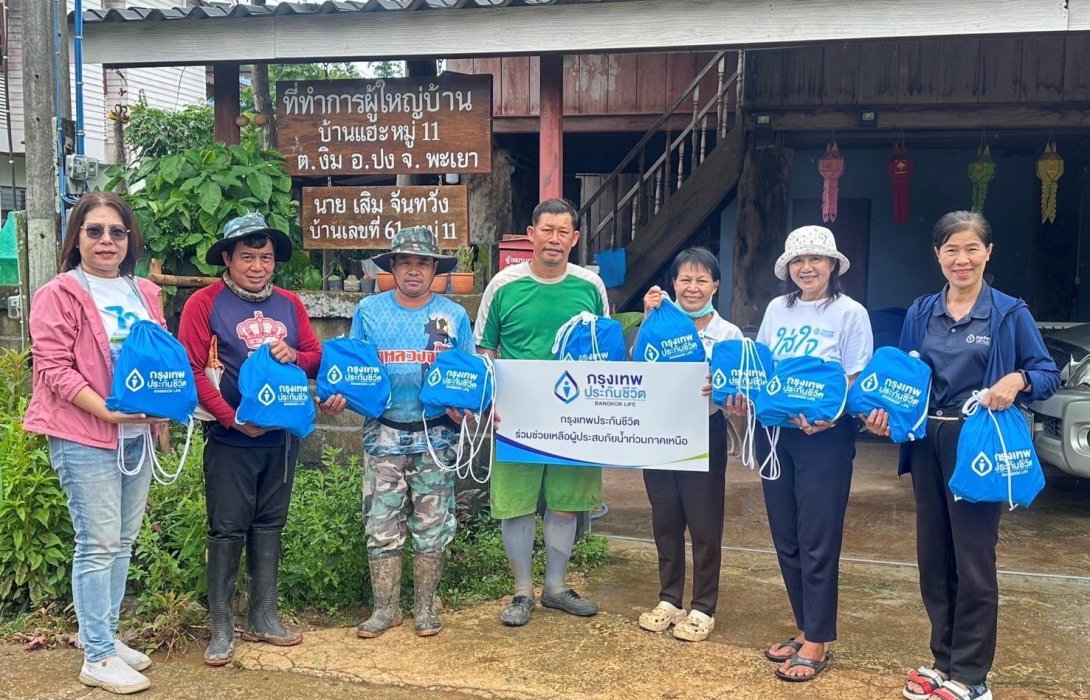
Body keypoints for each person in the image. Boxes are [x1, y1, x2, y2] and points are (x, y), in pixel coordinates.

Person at [863, 211, 1058, 700]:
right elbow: (904, 378)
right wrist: (884, 413)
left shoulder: (1010, 312)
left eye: (971, 248)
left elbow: (1046, 372)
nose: (961, 259)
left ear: (988, 253)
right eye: (951, 249)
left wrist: (1017, 380)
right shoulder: (922, 311)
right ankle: (941, 660)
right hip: (929, 442)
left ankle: (971, 676)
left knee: (972, 560)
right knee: (933, 556)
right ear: (937, 255)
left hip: (978, 445)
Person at [177, 213, 344, 666]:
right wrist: (231, 418)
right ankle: (220, 627)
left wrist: (297, 354)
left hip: (281, 437)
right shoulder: (204, 304)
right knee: (227, 527)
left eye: (265, 257)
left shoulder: (289, 304)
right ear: (227, 259)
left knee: (270, 522)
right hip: (230, 438)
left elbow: (314, 358)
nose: (257, 266)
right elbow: (190, 370)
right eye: (247, 256)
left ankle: (264, 615)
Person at [24, 192, 168, 694]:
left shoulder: (145, 292)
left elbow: (161, 362)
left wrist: (162, 421)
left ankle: (102, 635)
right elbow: (54, 368)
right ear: (77, 238)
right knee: (98, 542)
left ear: (129, 240)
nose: (107, 240)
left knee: (123, 541)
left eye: (116, 232)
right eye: (95, 231)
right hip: (85, 435)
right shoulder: (59, 293)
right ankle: (98, 656)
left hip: (138, 435)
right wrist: (107, 411)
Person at [474, 198, 610, 627]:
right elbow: (485, 349)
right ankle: (520, 591)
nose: (554, 239)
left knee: (566, 504)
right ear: (530, 235)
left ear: (575, 238)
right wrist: (489, 399)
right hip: (516, 415)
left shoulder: (590, 286)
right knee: (516, 505)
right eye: (546, 230)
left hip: (575, 415)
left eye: (563, 231)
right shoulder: (503, 285)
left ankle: (555, 586)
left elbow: (603, 350)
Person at [754, 225, 873, 682]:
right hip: (776, 435)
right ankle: (805, 627)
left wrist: (829, 416)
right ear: (789, 269)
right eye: (799, 262)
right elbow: (763, 365)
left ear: (832, 266)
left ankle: (819, 640)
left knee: (817, 538)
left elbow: (857, 376)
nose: (807, 268)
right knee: (787, 537)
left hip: (825, 437)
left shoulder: (850, 313)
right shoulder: (775, 309)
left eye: (816, 260)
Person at [350, 227, 475, 639]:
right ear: (393, 267)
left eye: (423, 262)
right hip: (383, 433)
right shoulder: (369, 311)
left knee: (432, 524)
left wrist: (468, 406)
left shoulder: (453, 315)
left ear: (435, 269)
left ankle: (425, 607)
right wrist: (341, 395)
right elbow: (354, 371)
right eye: (405, 261)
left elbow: (468, 375)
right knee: (381, 523)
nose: (414, 270)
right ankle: (384, 609)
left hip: (436, 436)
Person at [638, 248, 743, 642]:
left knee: (703, 523)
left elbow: (738, 393)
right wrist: (650, 319)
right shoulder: (657, 322)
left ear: (716, 285)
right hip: (659, 432)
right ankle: (669, 599)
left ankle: (702, 607)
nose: (693, 287)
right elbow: (638, 371)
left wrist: (724, 390)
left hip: (705, 431)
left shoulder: (728, 334)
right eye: (685, 279)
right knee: (665, 519)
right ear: (673, 284)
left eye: (702, 280)